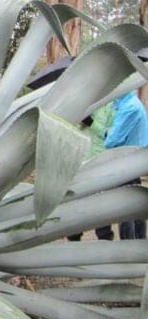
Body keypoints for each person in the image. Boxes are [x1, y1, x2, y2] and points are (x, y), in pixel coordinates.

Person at [67, 102, 115, 241]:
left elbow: (111, 135)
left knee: (100, 202)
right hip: (80, 158)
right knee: (77, 199)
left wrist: (91, 122)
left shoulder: (112, 106)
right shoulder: (88, 103)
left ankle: (104, 237)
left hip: (99, 160)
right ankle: (74, 235)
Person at [104, 90, 148, 239]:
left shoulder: (129, 107)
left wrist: (107, 133)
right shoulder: (131, 103)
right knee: (135, 205)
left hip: (126, 163)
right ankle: (138, 241)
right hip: (135, 160)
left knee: (125, 208)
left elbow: (112, 141)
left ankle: (128, 244)